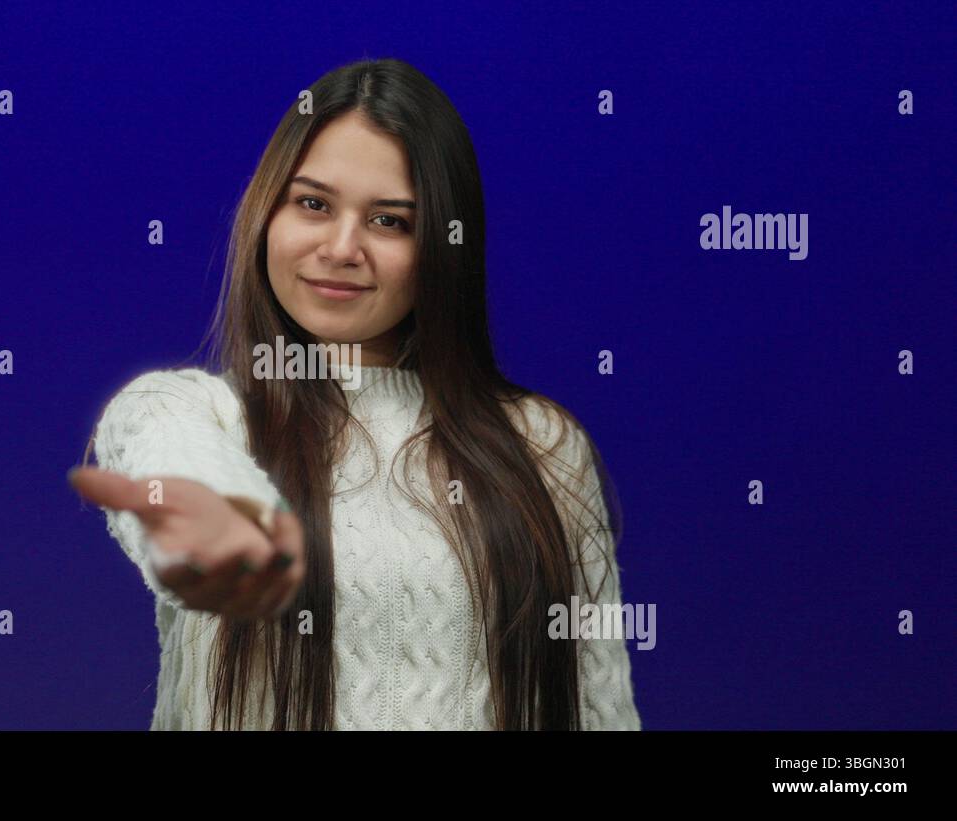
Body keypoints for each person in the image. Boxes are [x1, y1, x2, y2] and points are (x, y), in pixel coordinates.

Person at [68, 58, 642, 731]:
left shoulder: (541, 445)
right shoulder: (203, 415)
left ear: (444, 247)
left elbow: (599, 706)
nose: (343, 247)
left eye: (390, 221)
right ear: (266, 212)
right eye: (312, 203)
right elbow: (156, 442)